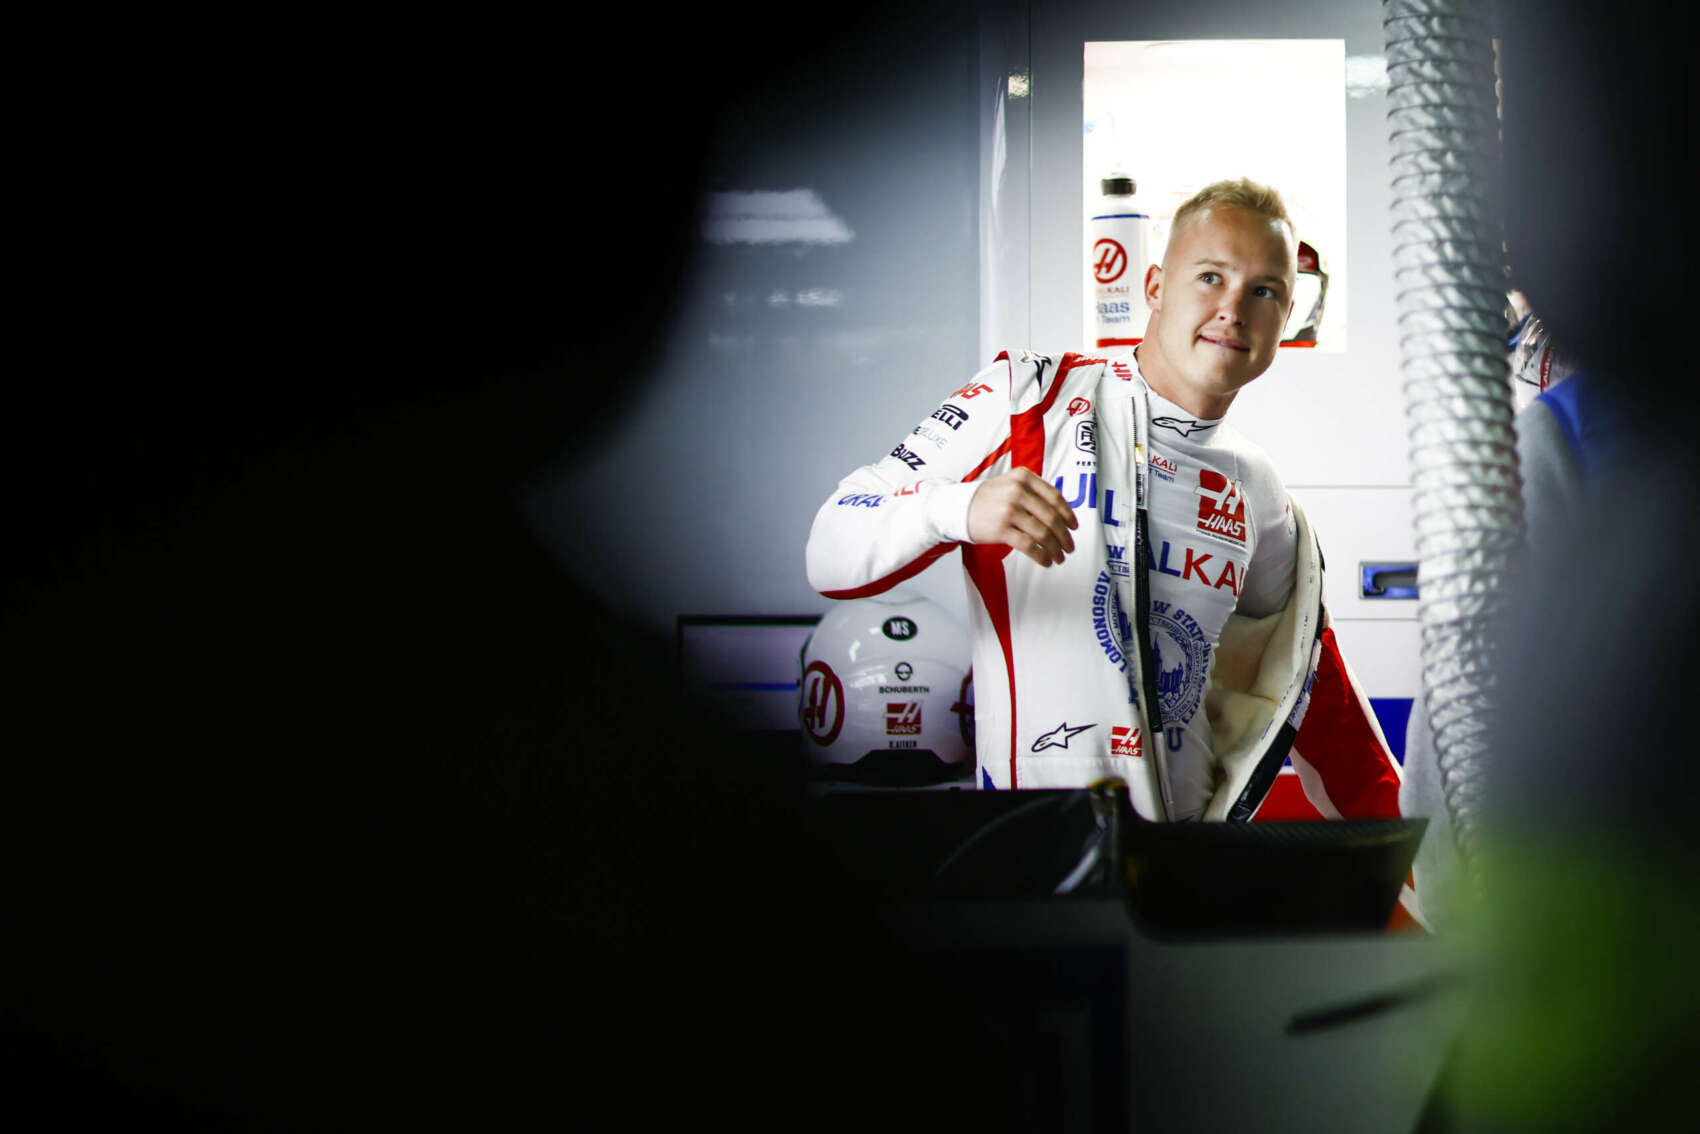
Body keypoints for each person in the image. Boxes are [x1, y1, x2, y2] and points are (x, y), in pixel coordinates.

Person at [806, 178, 1402, 823]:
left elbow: (1313, 686)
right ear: (1154, 287)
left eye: (1264, 291)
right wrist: (956, 509)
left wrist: (1423, 859)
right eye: (1210, 277)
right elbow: (830, 549)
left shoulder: (1258, 488)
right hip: (1036, 851)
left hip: (1190, 858)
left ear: (1285, 319)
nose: (1233, 308)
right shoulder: (1027, 398)